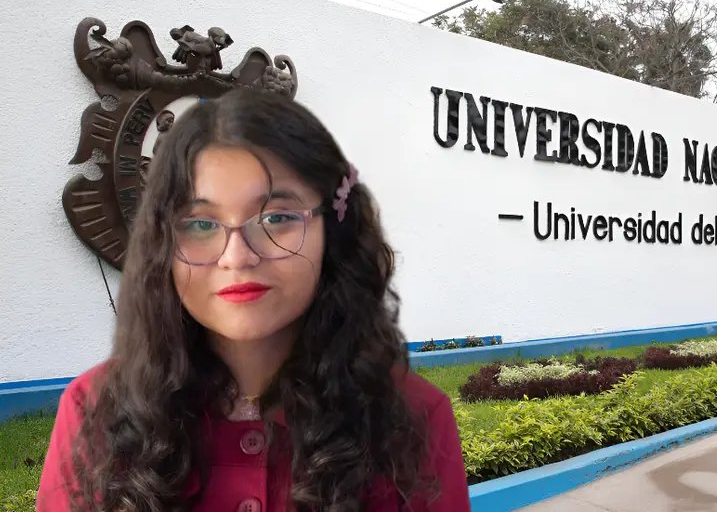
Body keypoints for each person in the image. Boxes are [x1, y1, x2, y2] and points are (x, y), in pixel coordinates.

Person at [37, 90, 470, 512]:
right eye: (199, 224)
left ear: (332, 231)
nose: (237, 257)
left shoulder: (413, 416)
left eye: (276, 218)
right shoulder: (94, 410)